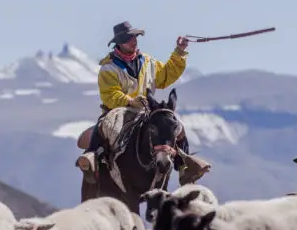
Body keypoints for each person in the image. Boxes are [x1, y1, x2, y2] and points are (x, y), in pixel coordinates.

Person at [75, 21, 211, 185]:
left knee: (175, 125)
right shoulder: (108, 68)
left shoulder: (148, 62)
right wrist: (130, 101)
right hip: (119, 111)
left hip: (147, 110)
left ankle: (184, 165)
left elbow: (166, 75)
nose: (134, 41)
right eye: (128, 38)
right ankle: (92, 155)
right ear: (119, 43)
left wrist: (180, 51)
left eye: (134, 37)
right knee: (104, 125)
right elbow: (109, 94)